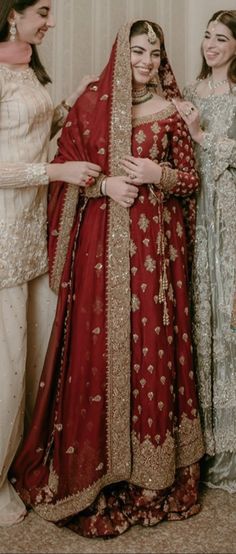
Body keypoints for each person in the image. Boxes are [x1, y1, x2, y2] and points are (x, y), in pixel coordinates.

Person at [10, 19, 204, 537]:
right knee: (105, 350)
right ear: (122, 53)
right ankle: (101, 470)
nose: (144, 61)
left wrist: (155, 175)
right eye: (136, 51)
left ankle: (154, 474)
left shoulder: (173, 110)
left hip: (158, 257)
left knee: (153, 349)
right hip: (102, 253)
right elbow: (65, 167)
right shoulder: (94, 103)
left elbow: (191, 179)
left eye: (153, 53)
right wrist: (106, 185)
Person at [0, 0, 101, 526]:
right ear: (11, 13)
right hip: (3, 231)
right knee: (6, 364)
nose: (51, 22)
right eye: (42, 10)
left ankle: (17, 460)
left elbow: (29, 130)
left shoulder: (26, 68)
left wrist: (67, 103)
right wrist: (57, 174)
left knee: (30, 359)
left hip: (34, 232)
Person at [173, 10, 236, 493]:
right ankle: (202, 443)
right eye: (207, 36)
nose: (210, 45)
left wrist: (200, 135)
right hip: (195, 216)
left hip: (229, 220)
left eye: (221, 38)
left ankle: (230, 449)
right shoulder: (191, 93)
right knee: (198, 318)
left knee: (227, 319)